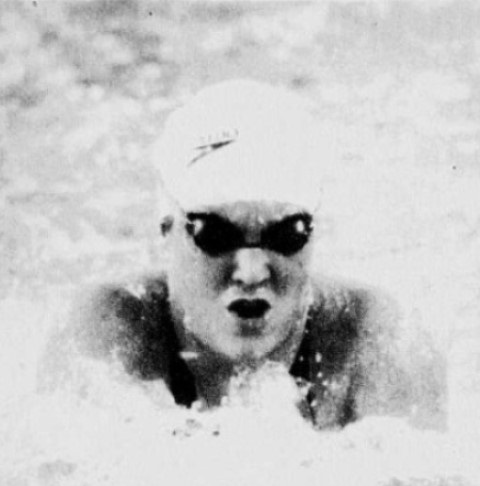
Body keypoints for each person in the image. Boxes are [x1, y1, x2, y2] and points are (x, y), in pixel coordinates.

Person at [52, 80, 446, 429]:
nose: (252, 270)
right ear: (167, 230)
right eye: (215, 234)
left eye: (286, 234)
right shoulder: (103, 333)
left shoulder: (379, 341)